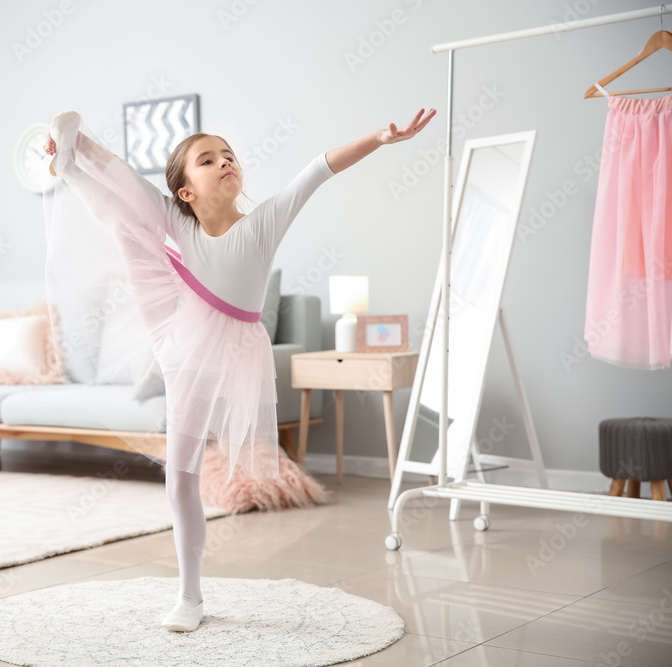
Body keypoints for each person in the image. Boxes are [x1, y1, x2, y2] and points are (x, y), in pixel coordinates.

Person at [43, 107, 435, 632]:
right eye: (208, 160)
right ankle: (190, 596)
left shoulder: (264, 222)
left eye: (228, 155)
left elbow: (318, 170)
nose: (225, 161)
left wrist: (382, 139)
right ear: (187, 191)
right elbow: (130, 182)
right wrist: (78, 148)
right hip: (177, 328)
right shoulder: (175, 217)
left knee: (131, 223)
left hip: (228, 340)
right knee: (130, 220)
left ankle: (69, 163)